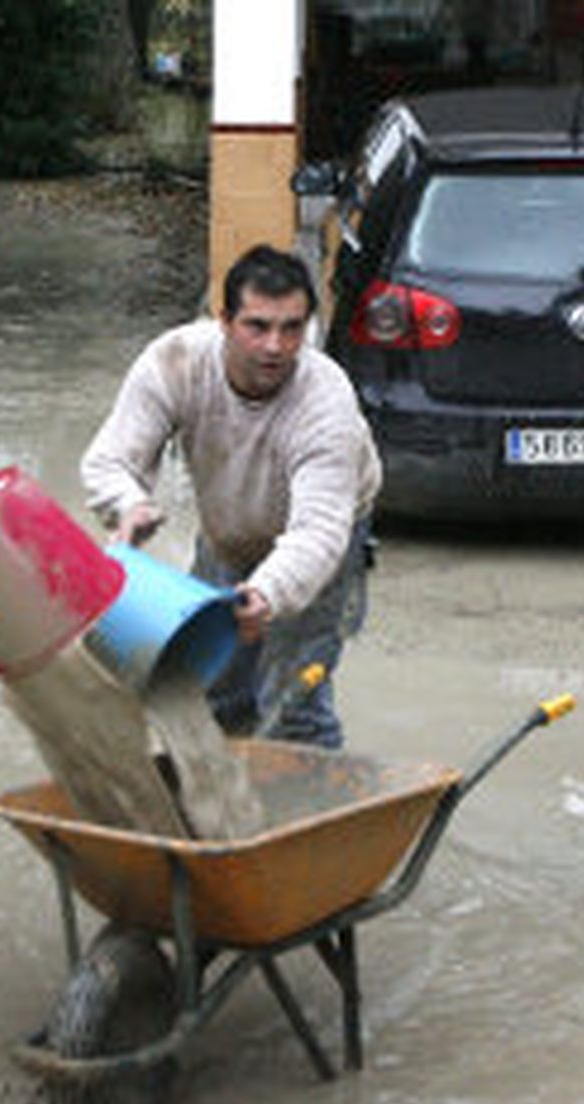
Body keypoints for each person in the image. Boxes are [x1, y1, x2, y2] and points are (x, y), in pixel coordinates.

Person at [80, 244, 382, 750]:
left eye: (292, 329)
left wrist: (265, 595)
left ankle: (308, 814)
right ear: (223, 321)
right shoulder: (176, 362)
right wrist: (128, 505)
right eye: (257, 326)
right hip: (229, 530)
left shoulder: (325, 399)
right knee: (210, 686)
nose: (275, 346)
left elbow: (319, 532)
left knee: (293, 700)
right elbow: (110, 460)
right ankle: (225, 809)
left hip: (319, 542)